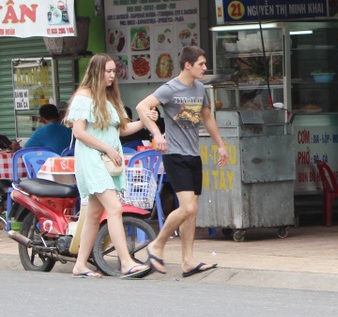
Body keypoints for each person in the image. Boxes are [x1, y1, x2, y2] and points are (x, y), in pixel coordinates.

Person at [138, 46, 228, 278]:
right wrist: (156, 135)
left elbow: (207, 116)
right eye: (201, 64)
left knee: (192, 211)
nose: (204, 68)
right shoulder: (170, 88)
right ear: (187, 65)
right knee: (187, 207)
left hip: (193, 155)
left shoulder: (200, 89)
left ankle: (187, 260)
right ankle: (156, 245)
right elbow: (142, 106)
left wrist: (220, 145)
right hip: (174, 155)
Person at [65, 54, 155, 278]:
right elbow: (79, 132)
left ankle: (80, 264)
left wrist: (145, 120)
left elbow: (121, 130)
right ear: (96, 71)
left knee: (94, 215)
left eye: (114, 71)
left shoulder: (109, 98)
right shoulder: (84, 96)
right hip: (92, 158)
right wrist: (108, 149)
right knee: (114, 208)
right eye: (108, 71)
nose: (112, 76)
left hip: (106, 160)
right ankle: (125, 262)